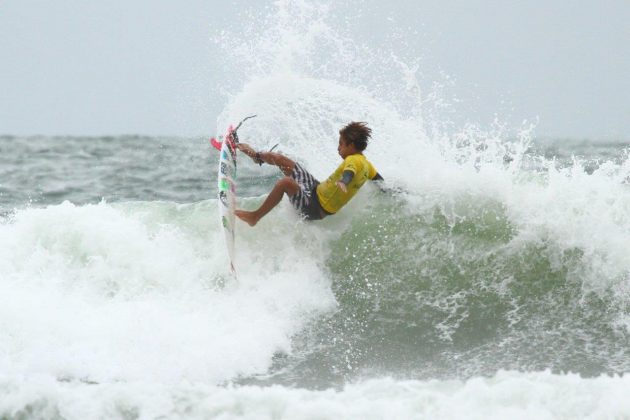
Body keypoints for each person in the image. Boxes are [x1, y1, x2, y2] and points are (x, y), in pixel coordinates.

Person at [235, 121, 384, 226]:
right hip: (314, 188)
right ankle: (256, 157)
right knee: (279, 158)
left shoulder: (353, 160)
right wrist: (396, 192)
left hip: (315, 207)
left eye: (341, 144)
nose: (338, 148)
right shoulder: (367, 165)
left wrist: (344, 182)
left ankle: (254, 217)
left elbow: (349, 172)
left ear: (351, 146)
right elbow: (379, 181)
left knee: (284, 183)